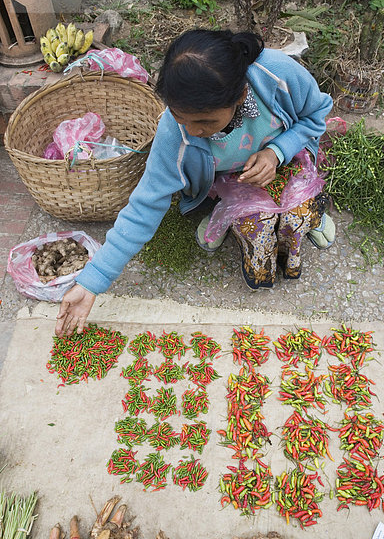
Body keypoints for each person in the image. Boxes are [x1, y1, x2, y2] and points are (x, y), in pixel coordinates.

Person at [55, 29, 334, 338]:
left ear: (239, 97)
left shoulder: (276, 74)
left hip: (286, 157)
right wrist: (93, 279)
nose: (193, 131)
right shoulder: (175, 132)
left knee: (296, 218)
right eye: (180, 118)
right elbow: (146, 204)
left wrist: (276, 152)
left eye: (206, 123)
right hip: (231, 179)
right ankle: (221, 216)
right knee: (258, 228)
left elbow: (317, 113)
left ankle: (309, 216)